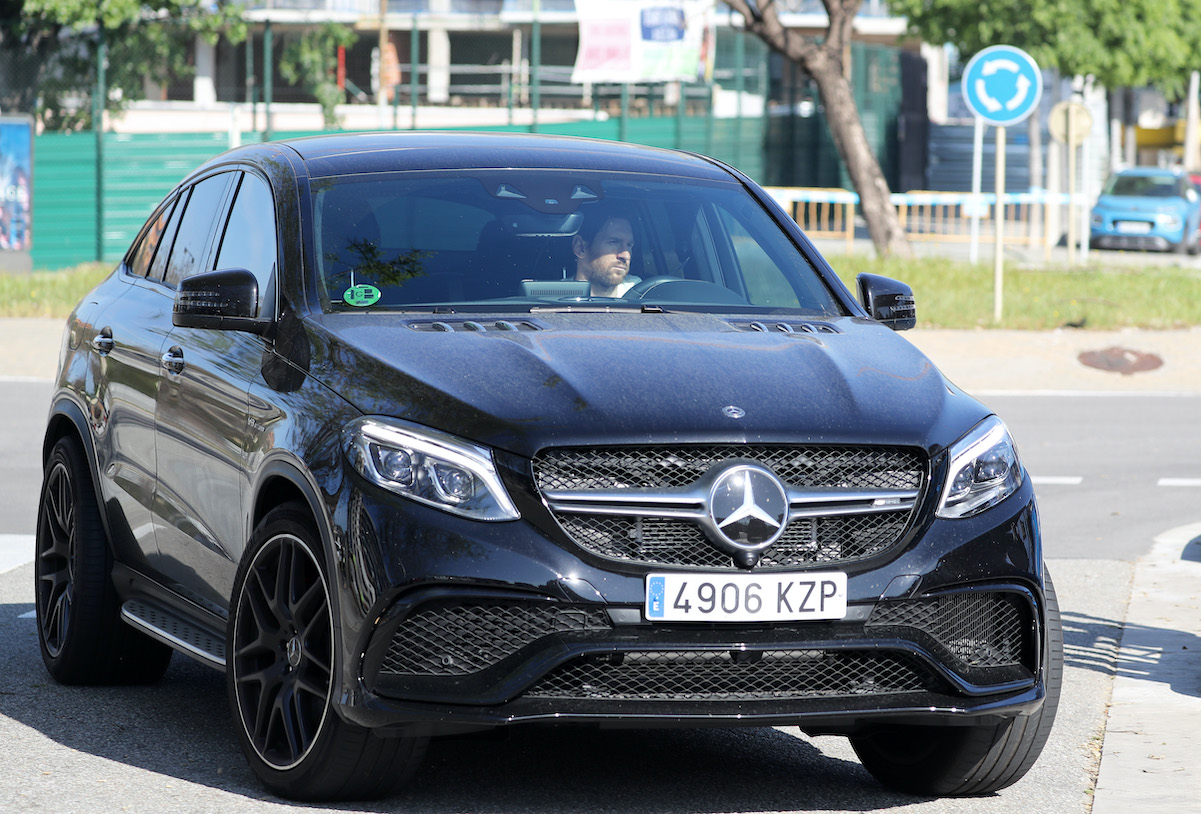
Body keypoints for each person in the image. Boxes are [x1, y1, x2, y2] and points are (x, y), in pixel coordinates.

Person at [573, 207, 641, 297]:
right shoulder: (555, 299)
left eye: (629, 245)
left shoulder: (640, 293)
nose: (626, 255)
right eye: (614, 242)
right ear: (580, 248)